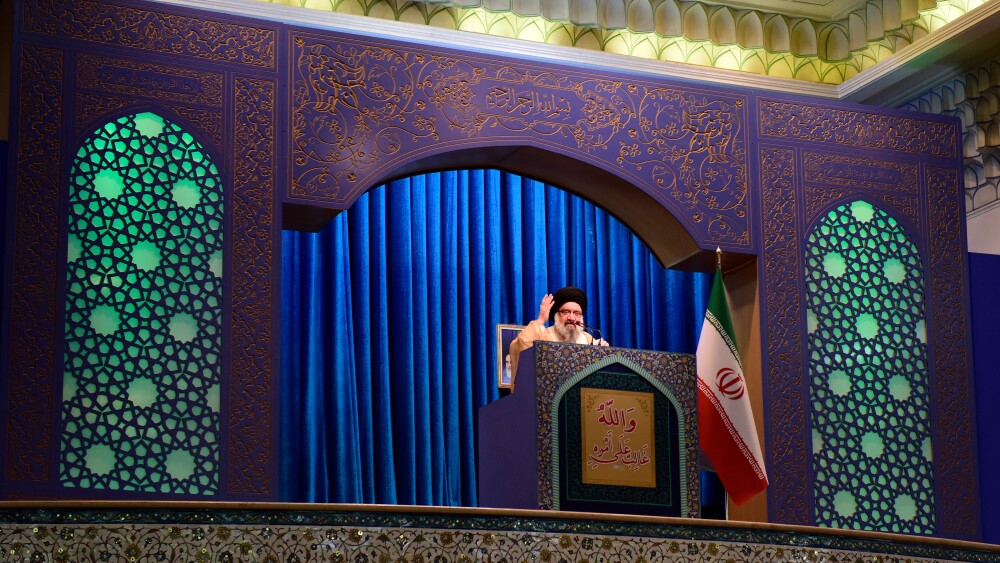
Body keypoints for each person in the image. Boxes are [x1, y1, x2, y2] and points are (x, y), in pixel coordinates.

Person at [508, 286, 609, 387]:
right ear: (556, 315)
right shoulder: (543, 335)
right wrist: (541, 320)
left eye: (576, 313)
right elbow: (521, 345)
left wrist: (603, 353)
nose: (572, 318)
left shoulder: (587, 339)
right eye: (565, 312)